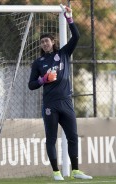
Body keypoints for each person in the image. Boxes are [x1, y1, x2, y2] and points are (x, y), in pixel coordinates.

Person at [28, 4, 93, 181]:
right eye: (42, 42)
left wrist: (69, 17)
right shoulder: (38, 63)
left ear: (53, 42)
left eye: (47, 41)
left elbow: (77, 36)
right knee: (51, 139)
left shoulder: (63, 53)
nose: (44, 43)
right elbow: (31, 85)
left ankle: (76, 171)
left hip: (66, 102)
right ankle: (56, 171)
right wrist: (43, 80)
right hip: (50, 105)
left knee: (73, 136)